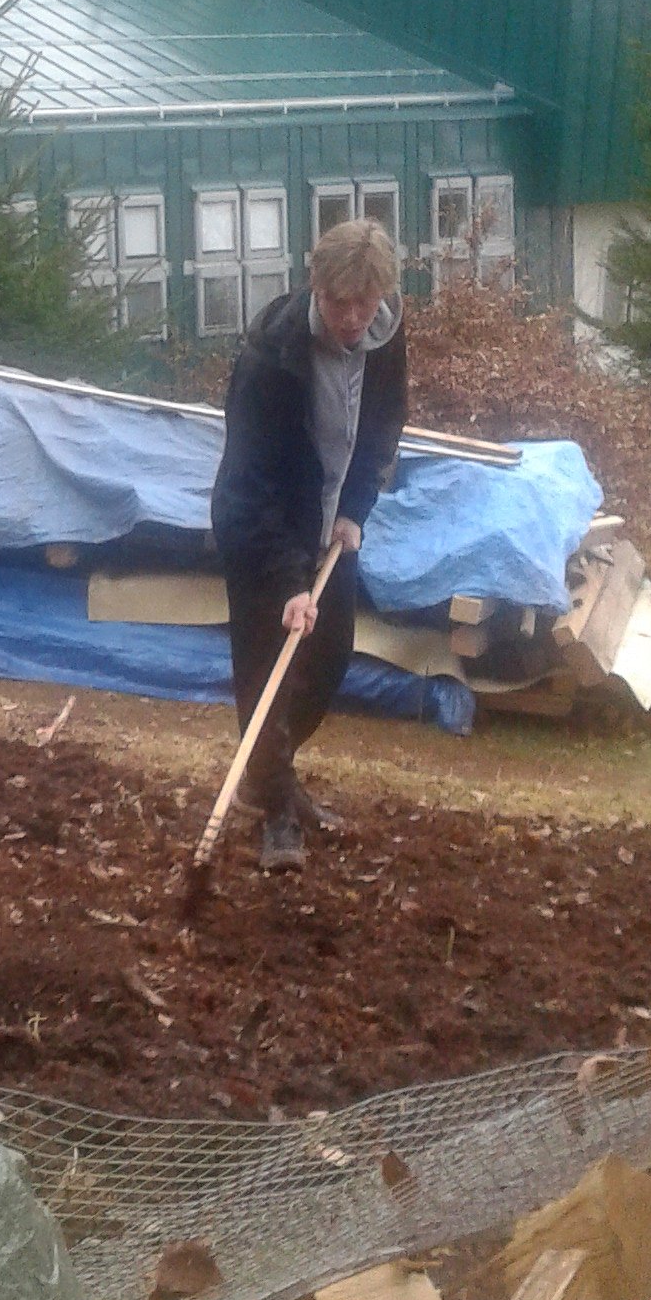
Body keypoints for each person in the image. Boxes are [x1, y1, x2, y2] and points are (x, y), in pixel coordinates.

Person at [209, 218, 407, 875]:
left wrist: (354, 508)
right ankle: (277, 812)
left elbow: (382, 427)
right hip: (260, 526)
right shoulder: (272, 355)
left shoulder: (386, 337)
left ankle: (269, 780)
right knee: (267, 671)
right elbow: (251, 477)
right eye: (339, 302)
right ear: (315, 287)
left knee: (327, 660)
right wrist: (288, 580)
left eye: (364, 303)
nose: (352, 318)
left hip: (328, 525)